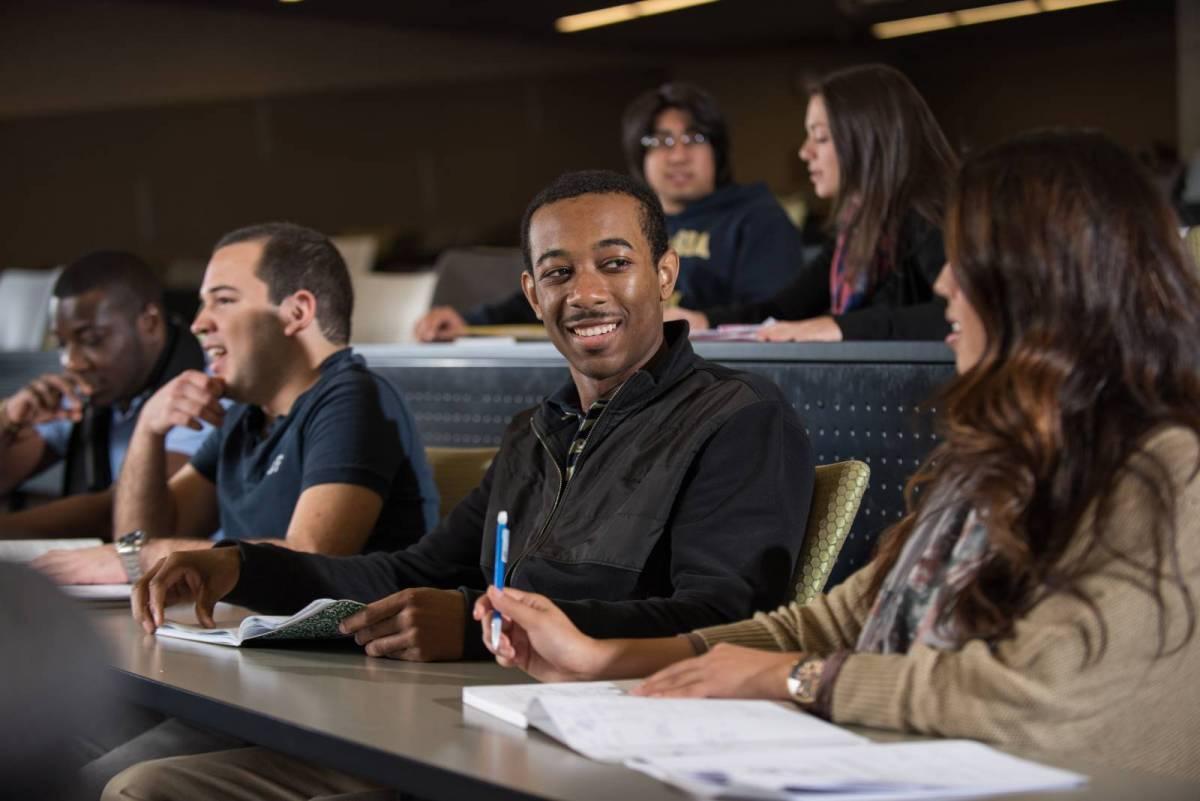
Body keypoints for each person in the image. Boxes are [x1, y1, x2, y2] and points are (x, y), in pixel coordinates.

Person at [476, 131, 1200, 779]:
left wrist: (795, 680)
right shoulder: (987, 467)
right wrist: (601, 657)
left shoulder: (1168, 469)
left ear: (1048, 280)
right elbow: (822, 625)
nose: (944, 282)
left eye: (965, 261)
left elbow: (1027, 697)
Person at [103, 171, 813, 800]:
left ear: (664, 275)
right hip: (460, 726)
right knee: (146, 786)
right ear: (534, 294)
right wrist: (239, 566)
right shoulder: (535, 431)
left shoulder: (740, 418)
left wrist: (478, 625)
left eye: (614, 263)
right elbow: (409, 570)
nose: (587, 292)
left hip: (602, 751)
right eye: (559, 274)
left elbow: (722, 619)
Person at [33, 222, 440, 586]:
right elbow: (144, 535)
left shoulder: (352, 397)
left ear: (297, 312)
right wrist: (149, 431)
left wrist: (140, 558)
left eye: (223, 300)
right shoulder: (245, 414)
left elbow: (315, 557)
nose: (198, 323)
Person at [414, 82, 804, 341]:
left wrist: (708, 323)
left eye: (694, 138)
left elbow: (776, 313)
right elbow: (562, 283)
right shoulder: (620, 218)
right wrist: (469, 322)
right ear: (640, 154)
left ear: (717, 151)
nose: (679, 154)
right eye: (660, 141)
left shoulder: (757, 217)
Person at [668, 63, 957, 342]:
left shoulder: (932, 213)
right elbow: (782, 310)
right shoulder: (855, 229)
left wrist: (837, 327)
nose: (805, 152)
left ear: (867, 140)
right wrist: (705, 322)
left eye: (820, 137)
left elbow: (958, 314)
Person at [0, 251, 207, 539]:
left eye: (91, 340)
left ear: (149, 323)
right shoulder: (89, 391)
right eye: (61, 344)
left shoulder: (203, 390)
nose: (71, 361)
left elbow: (122, 512)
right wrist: (8, 418)